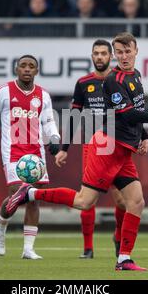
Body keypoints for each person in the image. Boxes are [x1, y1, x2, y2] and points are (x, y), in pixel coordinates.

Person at [3, 32, 148, 271]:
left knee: (136, 201)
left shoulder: (136, 75)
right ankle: (29, 194)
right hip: (106, 146)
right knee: (84, 201)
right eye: (119, 52)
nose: (123, 56)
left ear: (136, 51)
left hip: (123, 149)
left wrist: (143, 136)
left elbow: (136, 110)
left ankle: (124, 258)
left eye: (127, 51)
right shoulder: (113, 80)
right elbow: (127, 114)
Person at [0, 55, 60, 260]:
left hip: (36, 153)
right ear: (16, 69)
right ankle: (0, 225)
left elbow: (49, 121)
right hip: (12, 152)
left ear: (36, 71)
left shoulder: (43, 95)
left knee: (34, 199)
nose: (27, 69)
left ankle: (28, 249)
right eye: (23, 65)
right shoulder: (3, 92)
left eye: (31, 66)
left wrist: (55, 138)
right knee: (19, 192)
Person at [55, 39, 127, 259]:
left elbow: (131, 112)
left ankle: (117, 235)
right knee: (88, 198)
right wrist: (64, 148)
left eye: (104, 53)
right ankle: (88, 248)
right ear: (92, 56)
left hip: (117, 143)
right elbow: (74, 115)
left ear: (111, 56)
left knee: (122, 200)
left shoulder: (120, 80)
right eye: (96, 53)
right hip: (92, 144)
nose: (99, 57)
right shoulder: (83, 83)